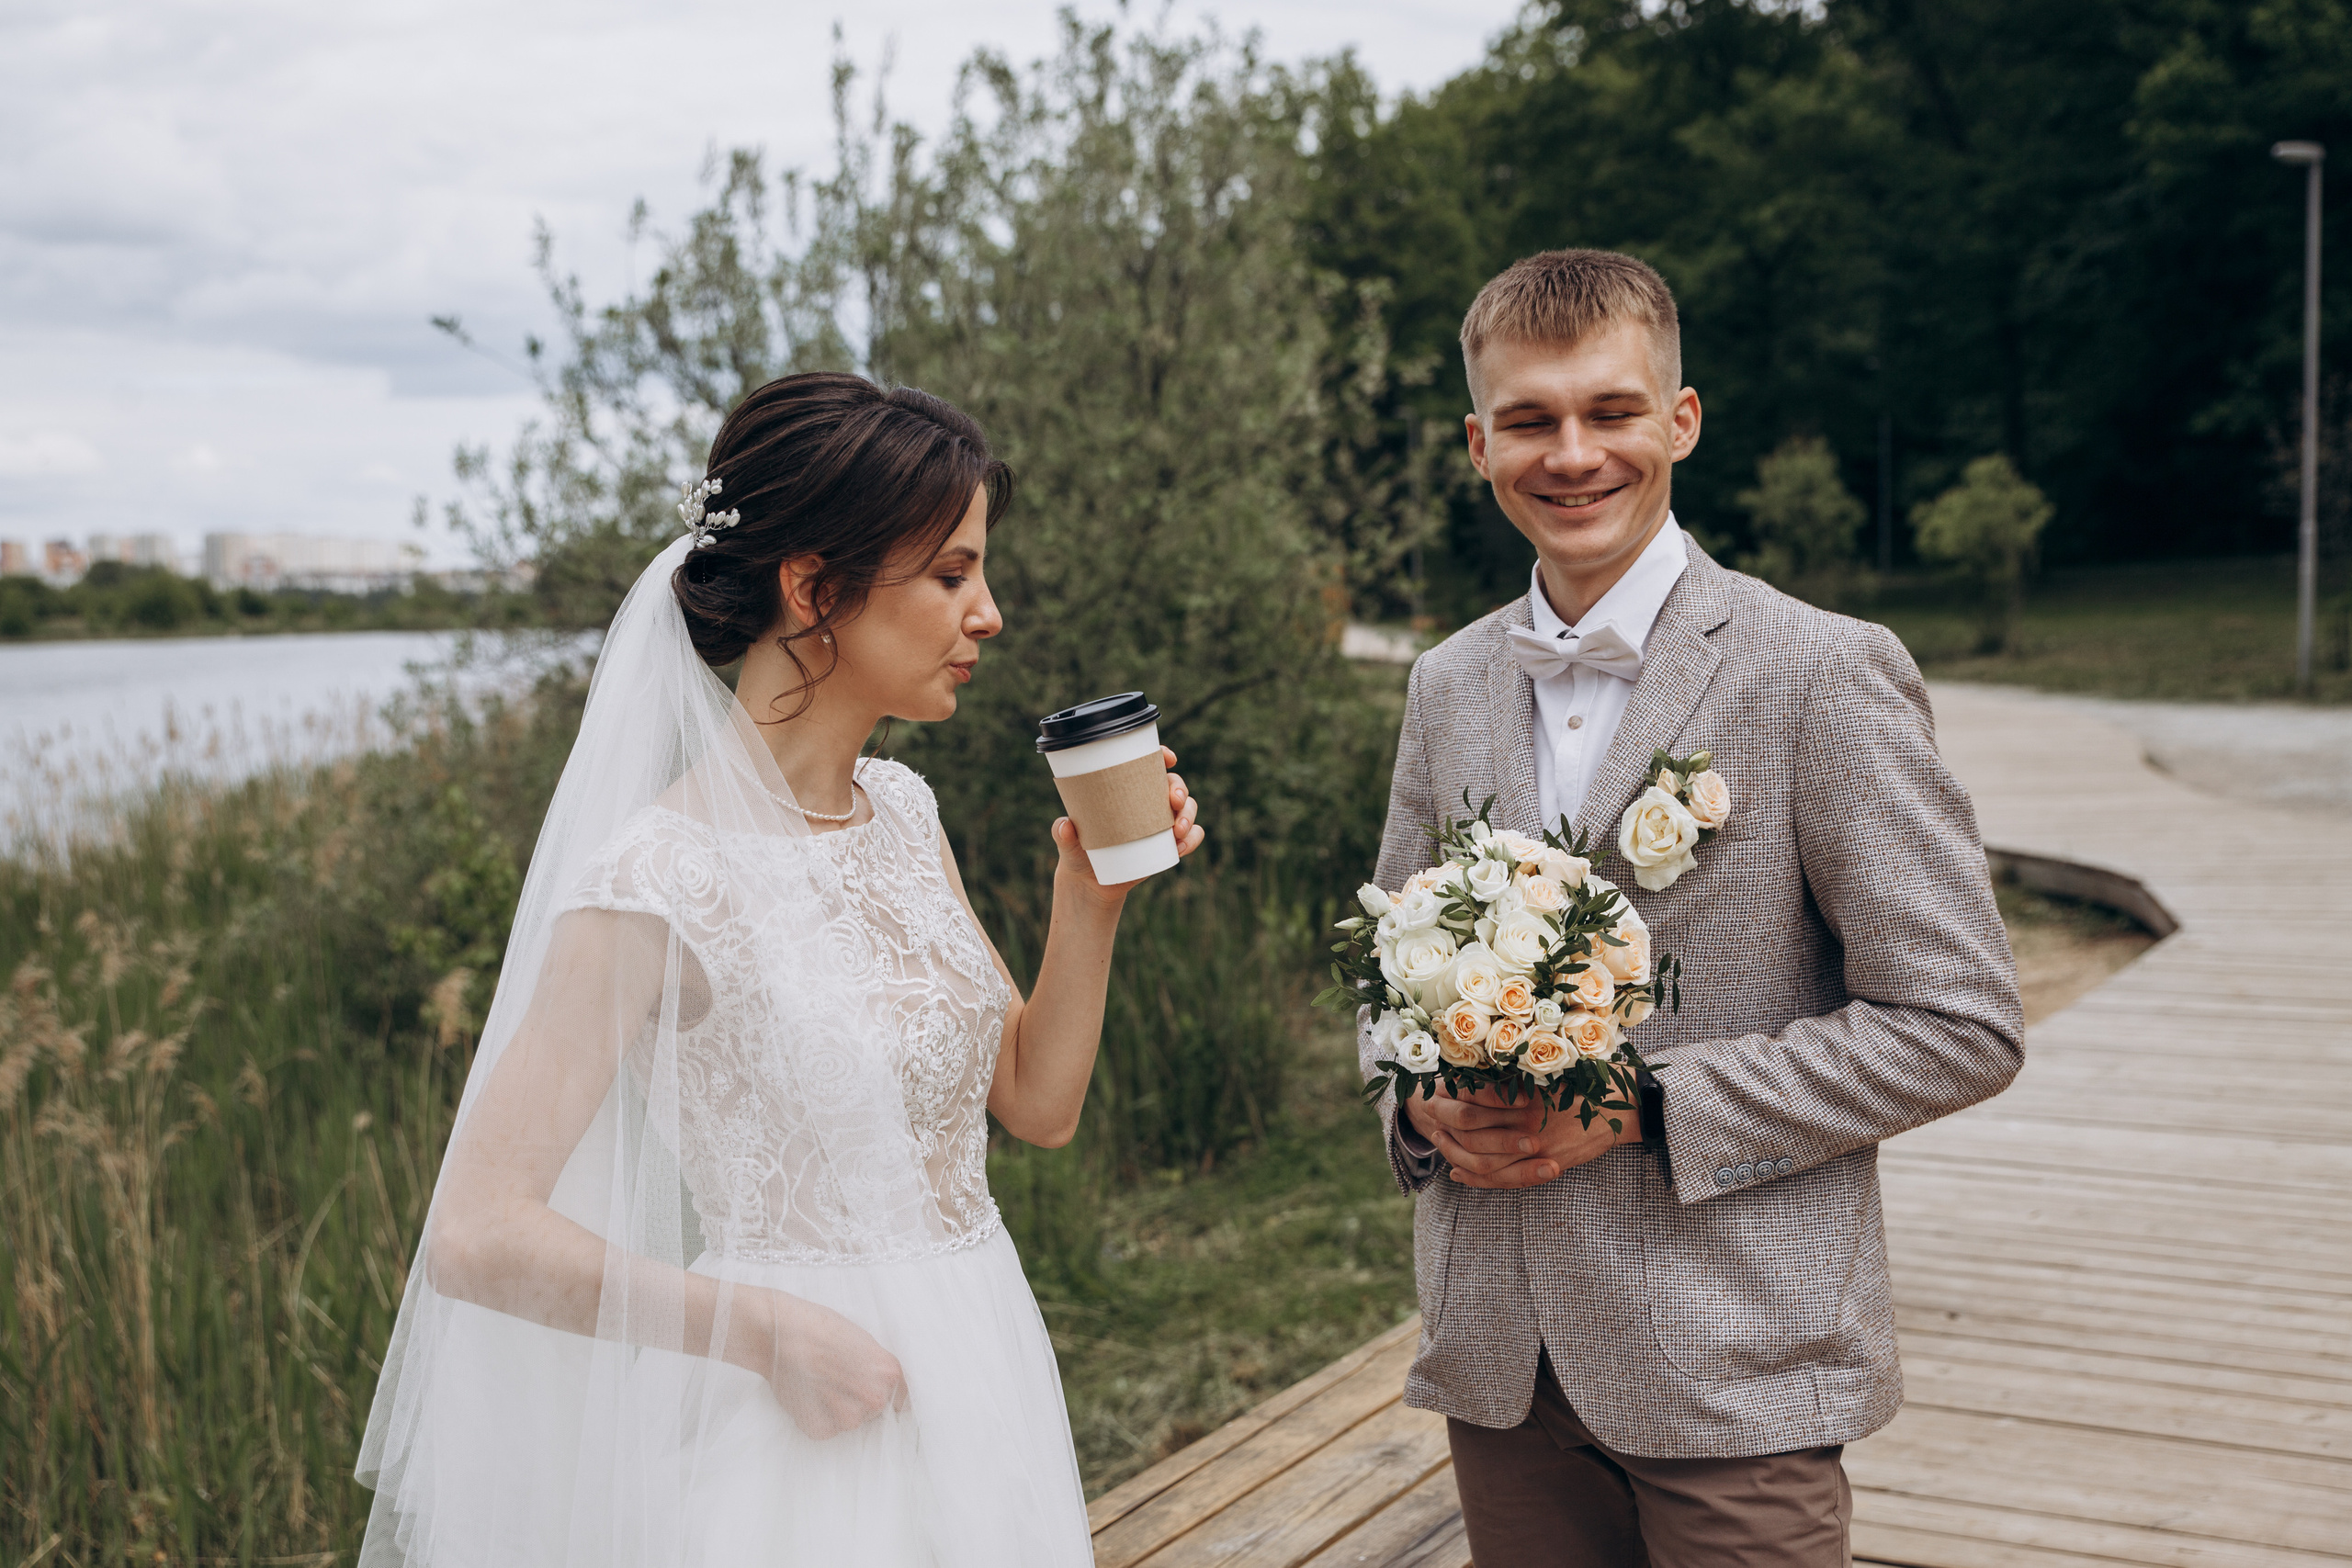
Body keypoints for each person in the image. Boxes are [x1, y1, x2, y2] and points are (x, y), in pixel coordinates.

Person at [356, 371, 1203, 1566]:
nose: (991, 613)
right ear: (815, 587)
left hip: (980, 1367)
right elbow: (477, 1232)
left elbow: (1038, 1105)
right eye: (954, 574)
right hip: (796, 1419)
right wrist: (762, 1333)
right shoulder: (660, 875)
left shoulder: (903, 811)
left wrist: (1091, 898)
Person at [1366, 250, 2022, 1567]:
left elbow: (1961, 1022)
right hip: (1498, 1355)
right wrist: (1415, 1099)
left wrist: (1653, 1108)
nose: (1573, 454)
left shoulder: (1822, 672)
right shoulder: (1443, 685)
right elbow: (1390, 977)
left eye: (1610, 412)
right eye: (1531, 421)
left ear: (1681, 420)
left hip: (1738, 1363)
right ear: (1477, 442)